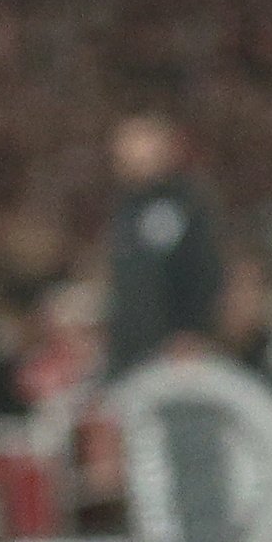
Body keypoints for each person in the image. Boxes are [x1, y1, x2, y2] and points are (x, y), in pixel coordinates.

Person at [100, 115, 222, 381]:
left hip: (172, 351)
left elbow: (199, 269)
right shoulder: (129, 206)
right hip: (130, 348)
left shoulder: (184, 205)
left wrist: (192, 330)